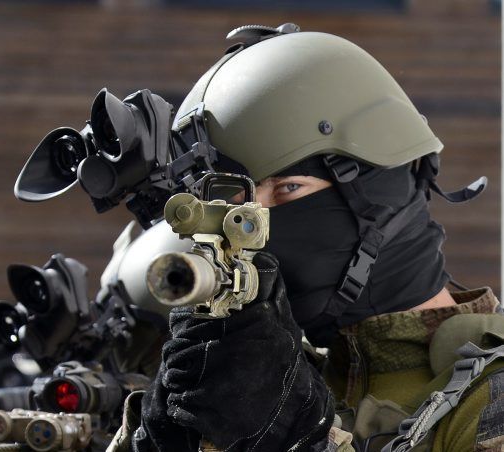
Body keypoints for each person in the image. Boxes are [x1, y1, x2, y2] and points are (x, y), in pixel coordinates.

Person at [105, 25, 504, 452]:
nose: (256, 227)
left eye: (288, 189)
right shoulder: (272, 374)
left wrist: (300, 438)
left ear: (383, 188)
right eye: (238, 206)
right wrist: (164, 430)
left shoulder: (489, 397)